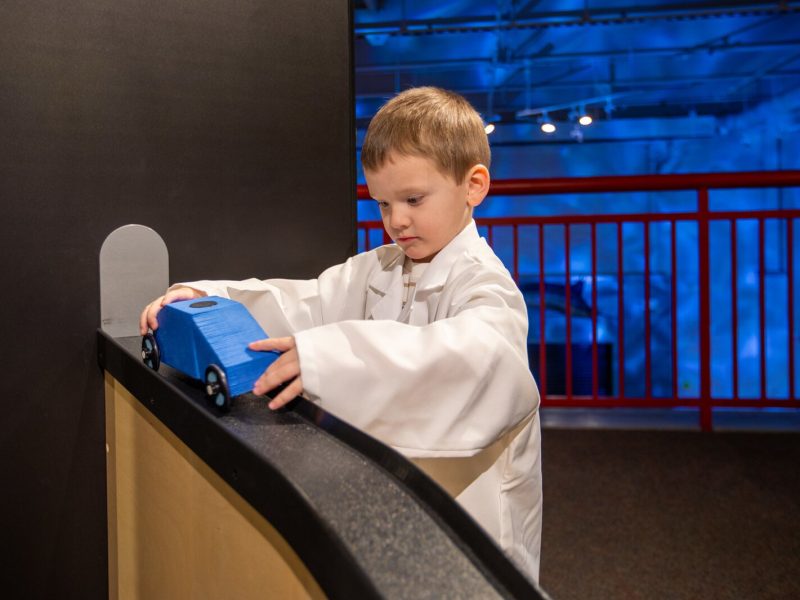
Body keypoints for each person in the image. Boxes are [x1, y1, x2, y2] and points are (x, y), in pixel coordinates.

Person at [140, 87, 542, 581]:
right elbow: (302, 304)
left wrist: (332, 356)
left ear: (473, 185)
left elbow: (477, 359)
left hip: (474, 526)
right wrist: (205, 295)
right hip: (400, 502)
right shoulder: (380, 268)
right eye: (382, 203)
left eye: (414, 199)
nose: (396, 220)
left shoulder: (485, 284)